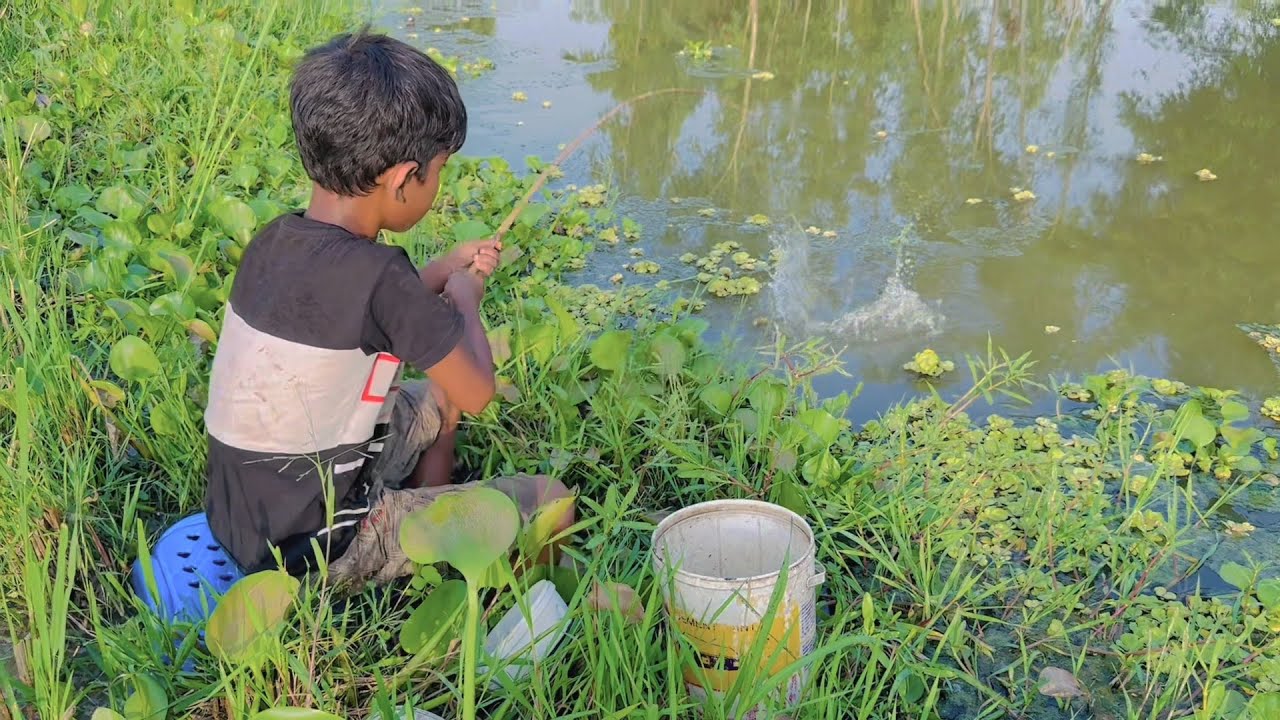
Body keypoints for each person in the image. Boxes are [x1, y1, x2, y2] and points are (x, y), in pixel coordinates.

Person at [201, 30, 574, 587]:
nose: (439, 186)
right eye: (439, 172)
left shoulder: (274, 240)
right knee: (551, 498)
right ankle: (499, 601)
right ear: (403, 180)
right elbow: (478, 392)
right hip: (318, 549)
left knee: (431, 392)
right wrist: (464, 300)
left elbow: (360, 312)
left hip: (243, 517)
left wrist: (442, 269)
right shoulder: (381, 277)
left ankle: (425, 505)